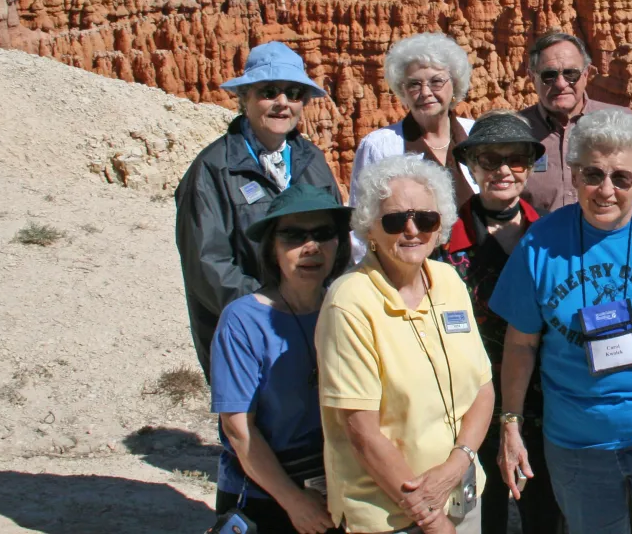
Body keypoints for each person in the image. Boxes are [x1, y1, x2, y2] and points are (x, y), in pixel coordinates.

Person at [488, 108, 632, 534]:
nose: (606, 190)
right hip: (578, 444)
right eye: (593, 174)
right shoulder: (541, 242)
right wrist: (511, 423)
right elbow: (521, 343)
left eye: (621, 177)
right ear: (575, 174)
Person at [317, 155, 494, 534]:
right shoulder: (349, 301)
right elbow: (361, 432)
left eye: (426, 218)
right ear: (370, 229)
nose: (412, 230)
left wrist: (457, 464)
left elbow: (482, 389)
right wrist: (429, 517)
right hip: (392, 514)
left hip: (461, 494)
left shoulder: (448, 281)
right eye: (395, 220)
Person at [177, 41, 340, 379]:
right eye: (269, 92)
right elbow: (207, 265)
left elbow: (336, 238)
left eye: (294, 93)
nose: (282, 103)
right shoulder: (213, 169)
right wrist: (272, 307)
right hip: (249, 333)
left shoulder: (313, 162)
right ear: (245, 99)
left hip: (315, 325)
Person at [436, 111, 562, 533]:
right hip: (470, 403)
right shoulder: (441, 240)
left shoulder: (551, 236)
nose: (504, 171)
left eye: (516, 160)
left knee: (543, 511)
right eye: (490, 160)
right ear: (471, 167)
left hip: (543, 400)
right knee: (479, 513)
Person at [210, 184, 350, 534]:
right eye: (293, 236)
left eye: (323, 233)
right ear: (272, 248)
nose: (311, 247)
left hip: (339, 487)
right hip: (265, 492)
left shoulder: (348, 308)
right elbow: (239, 429)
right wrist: (293, 501)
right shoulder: (243, 320)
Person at [350, 33, 479, 261]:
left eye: (436, 81)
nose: (426, 92)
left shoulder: (475, 134)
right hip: (407, 272)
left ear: (455, 83)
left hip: (478, 271)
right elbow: (362, 224)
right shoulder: (380, 145)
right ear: (403, 90)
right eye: (414, 84)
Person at [518, 31, 632, 215]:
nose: (560, 84)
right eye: (549, 75)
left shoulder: (622, 123)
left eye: (570, 73)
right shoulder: (516, 131)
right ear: (532, 77)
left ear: (586, 74)